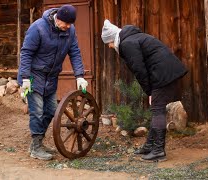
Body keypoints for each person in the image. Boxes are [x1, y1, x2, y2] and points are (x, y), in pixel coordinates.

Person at [101, 20, 187, 162]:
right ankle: (149, 146)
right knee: (156, 109)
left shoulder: (127, 44)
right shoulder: (133, 38)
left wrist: (149, 92)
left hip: (163, 73)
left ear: (112, 39)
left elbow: (139, 70)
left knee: (158, 110)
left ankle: (158, 151)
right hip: (165, 71)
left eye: (108, 43)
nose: (110, 47)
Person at [17, 5, 88, 161]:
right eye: (66, 24)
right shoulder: (38, 28)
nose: (68, 27)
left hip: (51, 77)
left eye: (70, 24)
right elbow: (26, 52)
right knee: (37, 111)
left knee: (51, 111)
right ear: (58, 18)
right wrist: (25, 79)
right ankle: (36, 148)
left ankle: (37, 144)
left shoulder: (70, 30)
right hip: (34, 76)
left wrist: (79, 76)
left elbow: (74, 52)